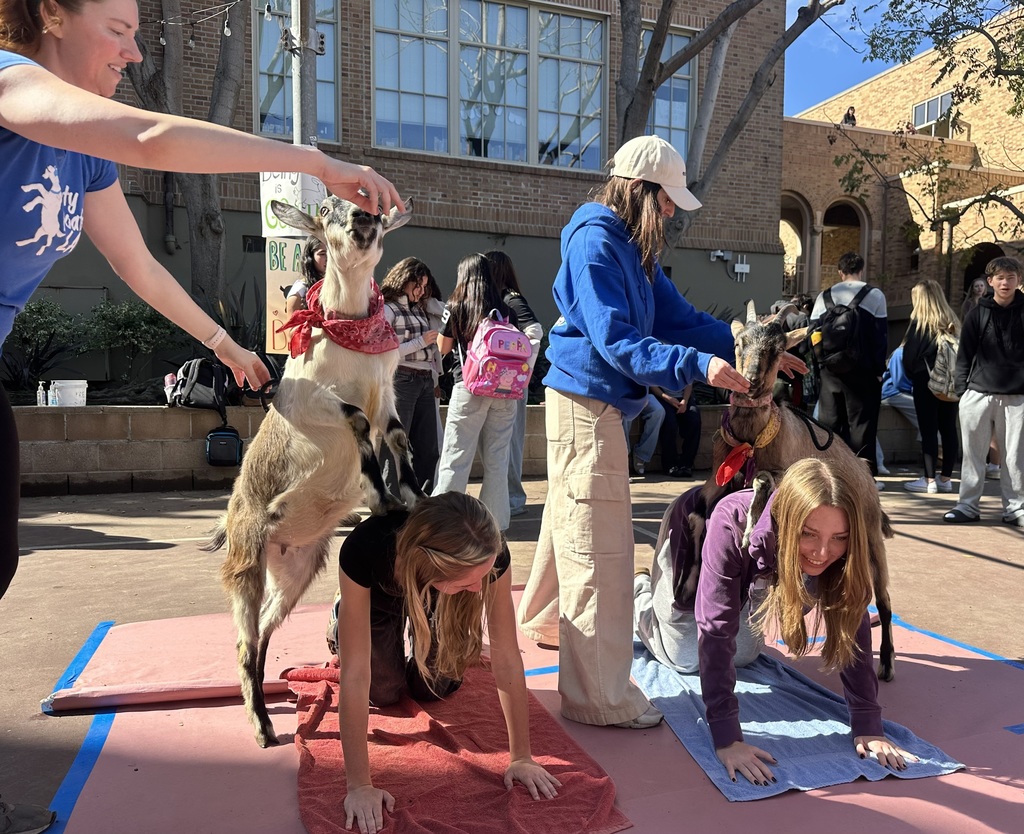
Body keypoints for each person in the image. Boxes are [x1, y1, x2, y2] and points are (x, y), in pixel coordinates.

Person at [0, 1, 402, 829]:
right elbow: (150, 138)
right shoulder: (10, 85)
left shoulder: (80, 159)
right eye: (117, 28)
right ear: (49, 14)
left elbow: (137, 263)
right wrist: (314, 164)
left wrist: (223, 343)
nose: (133, 49)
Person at [516, 135, 799, 730]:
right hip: (587, 404)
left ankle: (543, 619)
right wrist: (697, 367)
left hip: (593, 403)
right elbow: (617, 341)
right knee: (599, 548)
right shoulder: (598, 243)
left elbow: (684, 320)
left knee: (571, 518)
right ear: (639, 192)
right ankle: (597, 695)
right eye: (666, 200)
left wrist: (758, 352)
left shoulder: (631, 248)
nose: (672, 212)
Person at [633, 456, 911, 785]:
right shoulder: (731, 521)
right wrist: (728, 739)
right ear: (787, 522)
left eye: (839, 537)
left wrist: (867, 724)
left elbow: (853, 622)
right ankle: (639, 588)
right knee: (683, 658)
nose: (822, 552)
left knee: (746, 655)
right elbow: (716, 629)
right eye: (808, 534)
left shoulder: (845, 541)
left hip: (755, 575)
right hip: (693, 539)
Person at [334, 492, 561, 834]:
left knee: (433, 688)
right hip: (377, 598)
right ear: (434, 567)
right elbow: (353, 675)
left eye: (481, 578)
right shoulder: (363, 548)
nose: (478, 590)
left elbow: (506, 655)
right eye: (470, 580)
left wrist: (521, 757)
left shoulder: (490, 554)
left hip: (440, 593)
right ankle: (342, 617)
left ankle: (434, 615)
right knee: (381, 691)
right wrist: (359, 786)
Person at [432, 253, 520, 532]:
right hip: (504, 390)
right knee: (497, 460)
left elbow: (442, 348)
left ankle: (443, 521)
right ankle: (496, 524)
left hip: (469, 388)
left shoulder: (456, 305)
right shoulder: (506, 309)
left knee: (456, 457)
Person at [943, 257, 1024, 526]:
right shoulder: (977, 313)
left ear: (1018, 280)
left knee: (1014, 457)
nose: (1005, 282)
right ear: (990, 281)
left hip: (1017, 396)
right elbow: (964, 354)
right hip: (977, 394)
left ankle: (1015, 509)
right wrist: (962, 391)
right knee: (973, 454)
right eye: (1000, 277)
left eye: (1011, 277)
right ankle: (967, 506)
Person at [809, 252, 888, 485]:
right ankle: (863, 480)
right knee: (862, 426)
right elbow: (880, 337)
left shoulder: (824, 296)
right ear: (861, 270)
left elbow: (813, 332)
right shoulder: (874, 295)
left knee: (830, 425)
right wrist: (877, 371)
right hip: (863, 373)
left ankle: (830, 478)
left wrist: (821, 364)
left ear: (840, 272)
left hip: (830, 372)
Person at [484, 250, 543, 518]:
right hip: (499, 384)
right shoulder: (496, 300)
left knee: (511, 444)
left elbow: (535, 331)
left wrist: (523, 372)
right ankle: (504, 498)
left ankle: (514, 499)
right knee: (497, 443)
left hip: (511, 385)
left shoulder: (511, 299)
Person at [379, 257, 440, 495]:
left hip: (424, 380)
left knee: (429, 448)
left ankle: (421, 501)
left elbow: (445, 310)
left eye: (425, 287)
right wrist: (420, 342)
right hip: (401, 379)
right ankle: (390, 502)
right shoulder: (387, 309)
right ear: (404, 280)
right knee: (396, 445)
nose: (422, 291)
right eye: (418, 285)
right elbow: (386, 350)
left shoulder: (418, 308)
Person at [900, 280, 960, 494]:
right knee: (949, 429)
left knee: (928, 431)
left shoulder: (919, 325)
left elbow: (908, 359)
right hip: (950, 384)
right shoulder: (952, 321)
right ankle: (946, 478)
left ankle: (929, 480)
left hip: (925, 382)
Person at [875, 345, 919, 476]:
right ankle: (936, 449)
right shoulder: (900, 354)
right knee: (923, 413)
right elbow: (899, 382)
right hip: (891, 392)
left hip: (893, 391)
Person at [651, 383, 701, 477]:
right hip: (663, 397)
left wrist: (684, 401)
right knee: (669, 423)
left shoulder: (687, 367)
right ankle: (670, 465)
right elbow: (651, 385)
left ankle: (686, 465)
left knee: (694, 420)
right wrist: (668, 398)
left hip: (684, 398)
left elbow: (688, 383)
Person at [624, 391, 665, 476]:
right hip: (622, 396)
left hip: (642, 394)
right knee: (626, 415)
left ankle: (642, 454)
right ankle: (623, 458)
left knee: (658, 411)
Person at [284, 235, 327, 316]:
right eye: (322, 254)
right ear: (310, 258)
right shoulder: (299, 292)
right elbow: (293, 328)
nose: (329, 258)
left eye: (332, 253)